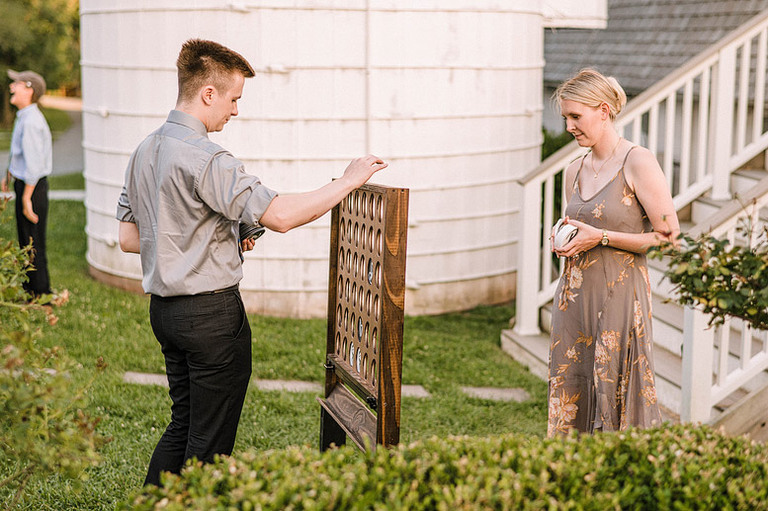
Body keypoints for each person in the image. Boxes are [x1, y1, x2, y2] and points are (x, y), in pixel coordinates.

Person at [115, 39, 387, 487]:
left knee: (182, 425)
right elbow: (279, 215)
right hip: (211, 319)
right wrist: (347, 180)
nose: (235, 111)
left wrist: (219, 234)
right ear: (208, 93)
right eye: (234, 98)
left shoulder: (144, 150)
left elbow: (130, 238)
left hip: (165, 313)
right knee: (209, 445)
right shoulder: (207, 157)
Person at [547, 69, 680, 436]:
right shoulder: (574, 170)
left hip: (620, 299)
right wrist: (563, 236)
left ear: (603, 110)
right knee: (573, 389)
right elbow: (578, 225)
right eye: (566, 118)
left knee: (616, 390)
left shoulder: (637, 161)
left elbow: (668, 236)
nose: (570, 126)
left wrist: (601, 237)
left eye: (576, 116)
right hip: (573, 301)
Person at [1, 69, 53, 298]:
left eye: (17, 84)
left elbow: (33, 165)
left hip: (32, 189)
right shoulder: (25, 116)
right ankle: (30, 289)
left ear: (29, 89)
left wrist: (25, 198)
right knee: (26, 241)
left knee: (33, 243)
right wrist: (10, 175)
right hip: (27, 186)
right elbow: (20, 154)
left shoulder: (31, 122)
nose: (11, 87)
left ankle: (40, 294)